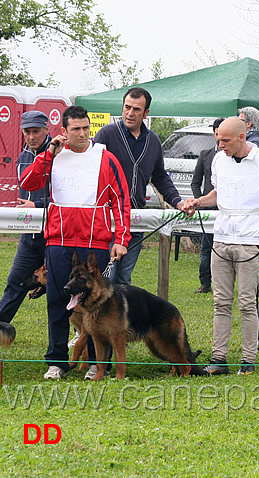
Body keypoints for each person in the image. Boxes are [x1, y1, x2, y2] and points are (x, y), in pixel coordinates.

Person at [20, 105, 131, 379]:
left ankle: (96, 362)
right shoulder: (53, 155)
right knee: (57, 300)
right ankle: (56, 361)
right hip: (58, 240)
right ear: (64, 131)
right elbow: (28, 181)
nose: (82, 134)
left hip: (95, 242)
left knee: (97, 304)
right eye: (76, 129)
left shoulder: (106, 158)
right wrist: (48, 154)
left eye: (86, 128)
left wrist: (120, 239)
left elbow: (121, 202)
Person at [184, 117, 259, 376]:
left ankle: (248, 361)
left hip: (249, 242)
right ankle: (219, 359)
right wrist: (197, 202)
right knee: (220, 303)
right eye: (218, 139)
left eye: (225, 140)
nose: (220, 144)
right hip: (220, 239)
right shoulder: (219, 160)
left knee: (246, 303)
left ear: (242, 137)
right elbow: (217, 194)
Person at [94, 87, 186, 285]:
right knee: (104, 279)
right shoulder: (106, 135)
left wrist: (178, 202)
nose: (130, 113)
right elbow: (90, 171)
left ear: (146, 113)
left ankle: (121, 317)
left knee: (124, 279)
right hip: (108, 218)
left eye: (136, 109)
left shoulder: (152, 141)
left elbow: (160, 177)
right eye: (127, 107)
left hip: (136, 219)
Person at [0, 111, 51, 325]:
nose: (32, 137)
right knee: (15, 284)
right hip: (29, 237)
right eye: (27, 132)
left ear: (46, 130)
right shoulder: (23, 157)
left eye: (36, 131)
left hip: (55, 236)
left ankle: (77, 340)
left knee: (63, 292)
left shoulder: (58, 155)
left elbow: (67, 197)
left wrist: (38, 206)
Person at [190, 117, 225, 294]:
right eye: (218, 134)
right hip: (208, 209)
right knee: (206, 248)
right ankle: (205, 282)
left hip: (226, 210)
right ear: (214, 134)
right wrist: (200, 202)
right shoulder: (205, 155)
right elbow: (195, 183)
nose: (221, 139)